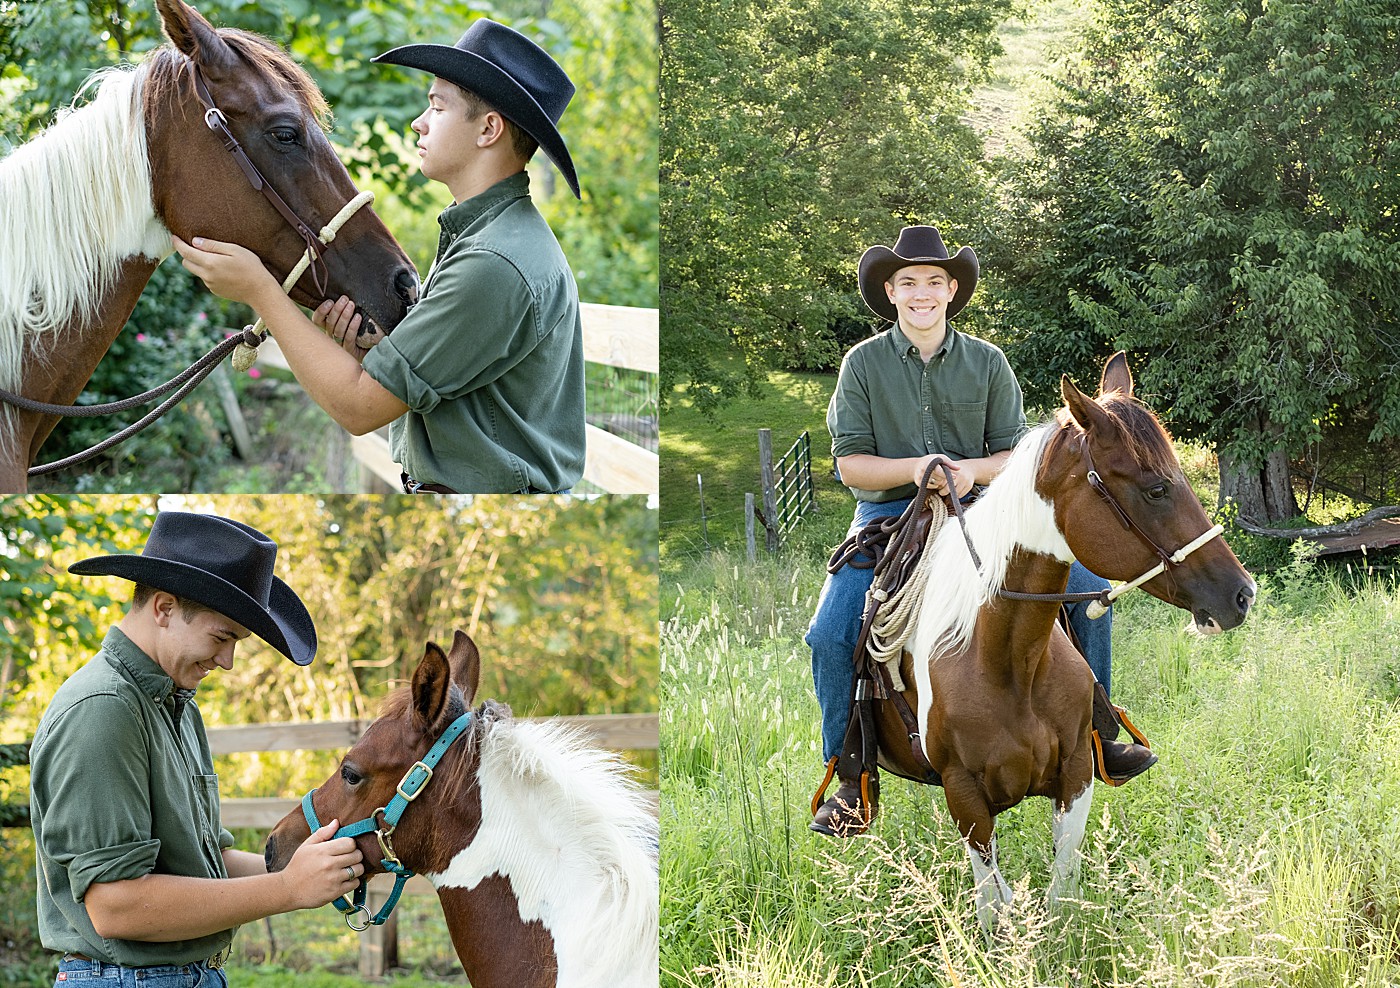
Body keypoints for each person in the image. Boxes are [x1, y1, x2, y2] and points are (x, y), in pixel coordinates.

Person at [807, 225, 1155, 837]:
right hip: (891, 519)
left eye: (934, 283)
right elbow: (850, 464)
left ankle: (1098, 735)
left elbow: (1015, 456)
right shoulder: (860, 365)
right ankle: (852, 778)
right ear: (891, 291)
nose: (922, 294)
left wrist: (968, 472)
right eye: (909, 282)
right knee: (830, 635)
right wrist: (919, 469)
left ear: (950, 290)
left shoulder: (987, 363)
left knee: (1087, 585)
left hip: (986, 514)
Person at [173, 18, 586, 494]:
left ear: (488, 129)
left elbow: (359, 409)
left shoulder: (494, 261)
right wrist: (373, 357)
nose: (419, 122)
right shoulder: (490, 236)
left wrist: (261, 292)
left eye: (437, 106)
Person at [29, 511, 367, 986]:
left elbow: (204, 863)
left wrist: (321, 863)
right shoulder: (103, 710)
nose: (227, 662)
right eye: (222, 636)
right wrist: (288, 889)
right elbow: (116, 905)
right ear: (164, 608)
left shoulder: (177, 705)